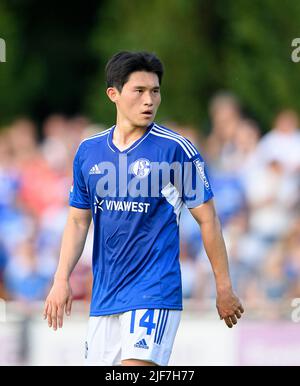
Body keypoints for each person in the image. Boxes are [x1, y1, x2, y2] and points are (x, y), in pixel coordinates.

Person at [43, 51, 244, 366]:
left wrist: (224, 286)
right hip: (104, 297)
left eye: (155, 91)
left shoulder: (175, 150)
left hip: (154, 290)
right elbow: (78, 221)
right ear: (114, 94)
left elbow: (208, 220)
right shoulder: (88, 151)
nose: (149, 100)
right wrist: (60, 279)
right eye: (139, 91)